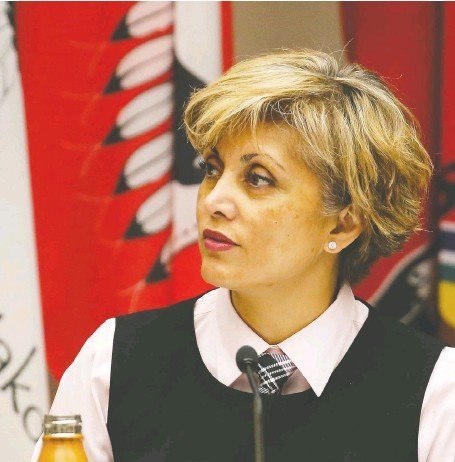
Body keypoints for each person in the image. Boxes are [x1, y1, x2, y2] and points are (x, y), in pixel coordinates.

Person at [32, 49, 455, 461]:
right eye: (211, 169)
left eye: (258, 179)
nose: (214, 200)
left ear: (343, 225)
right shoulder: (115, 362)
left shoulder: (435, 391)